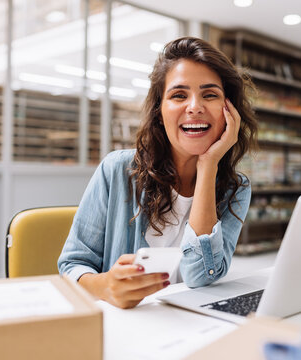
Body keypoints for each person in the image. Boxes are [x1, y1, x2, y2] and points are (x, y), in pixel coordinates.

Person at [58, 36, 257, 309]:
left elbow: (201, 275)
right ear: (159, 112)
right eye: (178, 95)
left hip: (191, 326)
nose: (195, 107)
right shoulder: (117, 170)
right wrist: (105, 287)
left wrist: (208, 164)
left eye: (210, 94)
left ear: (229, 111)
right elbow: (71, 265)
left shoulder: (237, 188)